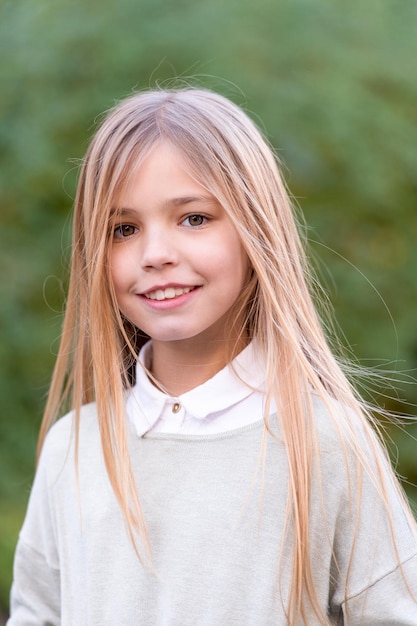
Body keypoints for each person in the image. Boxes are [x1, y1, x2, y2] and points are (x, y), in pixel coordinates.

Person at [8, 87, 417, 625]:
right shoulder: (73, 447)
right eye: (123, 229)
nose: (155, 254)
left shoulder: (326, 442)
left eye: (194, 218)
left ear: (256, 229)